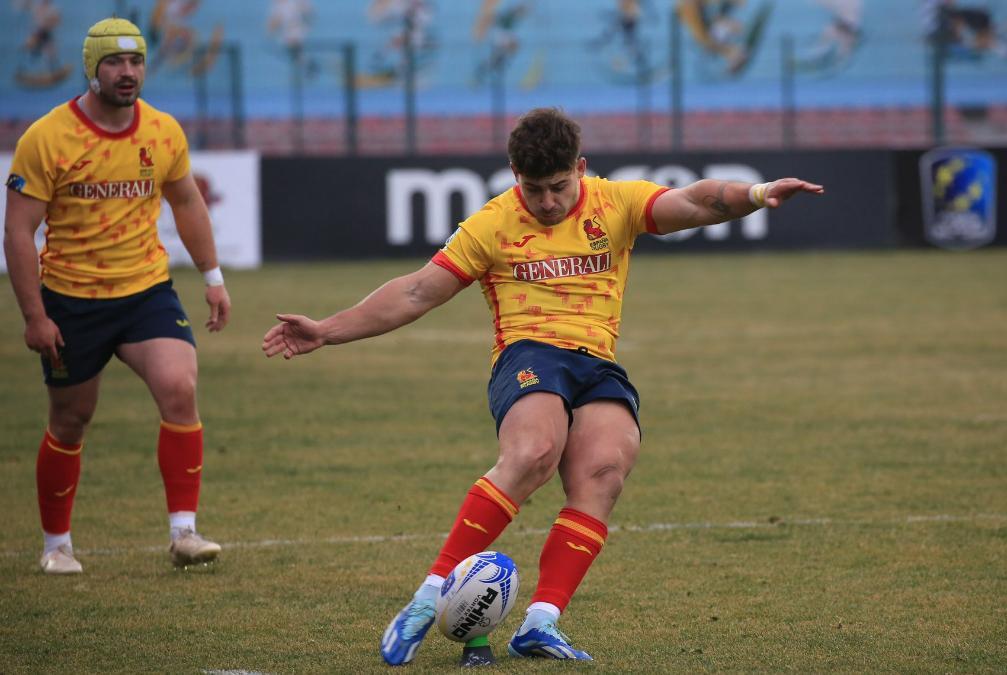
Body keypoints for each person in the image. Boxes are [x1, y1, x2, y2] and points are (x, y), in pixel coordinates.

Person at [261, 107, 823, 663]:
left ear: (580, 167)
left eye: (558, 186)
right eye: (535, 190)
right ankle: (427, 599)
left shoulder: (615, 202)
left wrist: (758, 193)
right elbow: (415, 293)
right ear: (514, 176)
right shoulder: (492, 223)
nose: (548, 202)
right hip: (528, 355)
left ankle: (540, 623)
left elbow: (697, 201)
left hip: (596, 363)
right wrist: (327, 331)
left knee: (604, 473)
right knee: (533, 451)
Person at [3, 17, 232, 574]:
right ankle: (56, 545)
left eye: (135, 62)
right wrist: (35, 316)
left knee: (180, 387)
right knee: (71, 420)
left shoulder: (162, 131)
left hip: (145, 291)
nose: (127, 73)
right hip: (71, 299)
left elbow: (186, 203)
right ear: (92, 68)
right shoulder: (47, 138)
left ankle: (185, 533)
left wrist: (212, 276)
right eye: (114, 63)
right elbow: (17, 230)